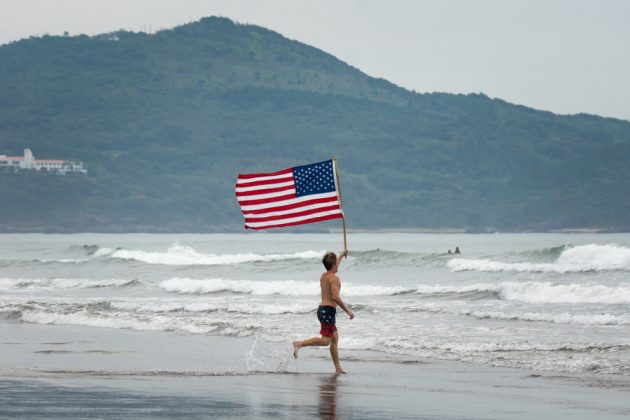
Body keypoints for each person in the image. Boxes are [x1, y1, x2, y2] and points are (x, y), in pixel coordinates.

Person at [293, 249, 354, 374]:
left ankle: (337, 368)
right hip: (328, 311)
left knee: (335, 338)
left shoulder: (324, 276)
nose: (338, 264)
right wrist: (348, 311)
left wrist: (342, 255)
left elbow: (334, 264)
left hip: (322, 310)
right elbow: (335, 297)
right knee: (326, 341)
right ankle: (299, 344)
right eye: (336, 263)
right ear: (333, 265)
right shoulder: (334, 279)